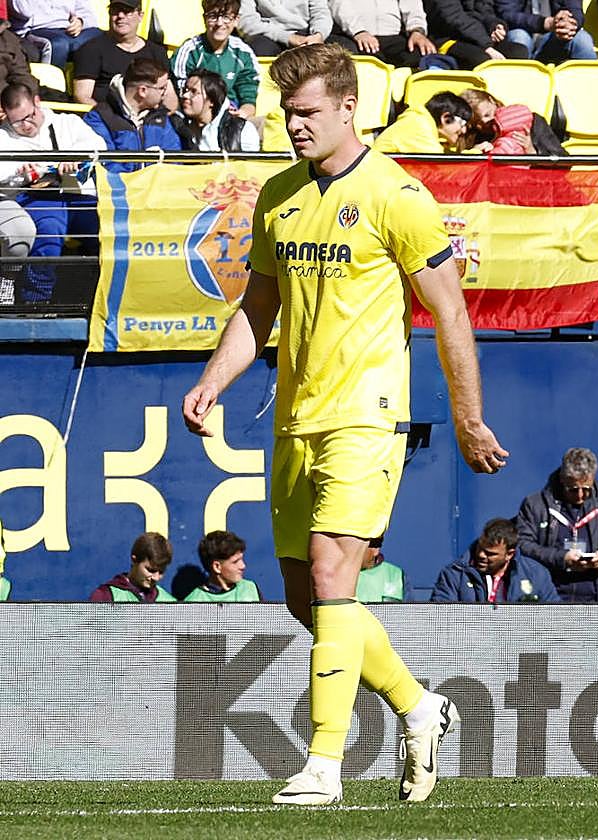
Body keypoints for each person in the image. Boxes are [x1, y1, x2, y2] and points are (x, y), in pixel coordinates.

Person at [180, 43, 508, 806]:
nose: (294, 126)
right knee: (307, 597)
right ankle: (420, 707)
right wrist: (211, 381)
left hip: (367, 413)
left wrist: (467, 417)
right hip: (293, 416)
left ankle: (324, 766)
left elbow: (450, 311)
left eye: (307, 113)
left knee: (333, 576)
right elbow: (259, 305)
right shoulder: (280, 196)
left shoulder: (399, 195)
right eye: (287, 114)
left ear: (347, 107)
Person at [0, 82, 106, 305]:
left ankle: (105, 297)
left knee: (107, 227)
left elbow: (98, 145)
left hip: (76, 194)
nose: (25, 125)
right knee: (49, 228)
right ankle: (36, 302)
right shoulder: (4, 137)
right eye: (16, 121)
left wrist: (75, 157)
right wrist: (21, 175)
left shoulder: (66, 122)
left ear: (37, 103)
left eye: (29, 116)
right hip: (33, 197)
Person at [516, 447, 598, 602]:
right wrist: (561, 558)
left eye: (586, 490)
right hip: (551, 594)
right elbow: (523, 545)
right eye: (573, 490)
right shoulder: (535, 505)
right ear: (562, 479)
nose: (580, 496)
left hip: (596, 595)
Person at [82, 58, 182, 174]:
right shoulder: (100, 118)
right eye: (162, 88)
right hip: (119, 189)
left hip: (157, 189)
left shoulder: (161, 118)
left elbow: (174, 160)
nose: (165, 93)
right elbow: (105, 164)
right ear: (143, 91)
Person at [431, 517, 560, 603]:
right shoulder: (455, 574)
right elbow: (441, 618)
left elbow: (554, 617)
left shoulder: (536, 574)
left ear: (509, 554)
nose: (481, 555)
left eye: (490, 554)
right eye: (480, 548)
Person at [72, 1, 174, 110]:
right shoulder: (91, 49)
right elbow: (82, 96)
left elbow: (169, 95)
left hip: (151, 120)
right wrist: (109, 118)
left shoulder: (157, 52)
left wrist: (165, 118)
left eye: (127, 11)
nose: (120, 16)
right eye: (115, 10)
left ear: (140, 16)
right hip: (106, 120)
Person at [170, 0, 261, 119]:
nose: (219, 23)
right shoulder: (190, 51)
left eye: (226, 17)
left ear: (236, 20)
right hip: (195, 116)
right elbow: (181, 94)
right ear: (204, 19)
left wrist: (242, 113)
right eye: (213, 16)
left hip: (232, 116)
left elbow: (249, 97)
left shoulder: (243, 53)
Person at [328, 0, 438, 68]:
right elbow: (338, 4)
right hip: (354, 35)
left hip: (393, 35)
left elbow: (412, 6)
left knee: (423, 54)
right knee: (351, 58)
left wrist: (417, 31)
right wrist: (358, 31)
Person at [424, 0, 530, 69]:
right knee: (480, 59)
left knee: (518, 52)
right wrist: (486, 46)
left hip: (476, 37)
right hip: (445, 38)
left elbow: (485, 11)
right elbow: (453, 18)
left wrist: (495, 26)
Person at [175, 69, 262, 151]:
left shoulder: (242, 130)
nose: (185, 96)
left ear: (212, 100)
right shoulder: (178, 127)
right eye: (185, 90)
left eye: (193, 92)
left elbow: (250, 165)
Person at [460, 88, 566, 155]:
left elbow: (562, 160)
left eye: (488, 114)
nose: (486, 121)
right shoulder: (472, 137)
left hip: (536, 185)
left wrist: (532, 151)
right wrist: (475, 154)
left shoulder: (531, 121)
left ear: (492, 101)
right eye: (477, 122)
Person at [8, 0, 101, 69]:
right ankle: (52, 91)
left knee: (101, 38)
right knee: (59, 44)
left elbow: (88, 15)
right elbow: (24, 11)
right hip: (37, 29)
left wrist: (80, 22)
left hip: (67, 28)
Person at [373, 90, 473, 153]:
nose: (464, 130)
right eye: (462, 124)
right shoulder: (419, 126)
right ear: (446, 117)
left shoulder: (422, 122)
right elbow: (440, 166)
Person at [89, 532, 177, 602]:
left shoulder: (169, 602)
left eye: (161, 572)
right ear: (134, 560)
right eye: (150, 570)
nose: (156, 578)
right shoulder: (105, 596)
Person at [497, 0, 597, 62]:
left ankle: (592, 88)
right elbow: (506, 13)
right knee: (519, 36)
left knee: (582, 39)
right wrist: (544, 23)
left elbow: (575, 10)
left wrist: (569, 23)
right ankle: (517, 89)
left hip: (552, 38)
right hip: (522, 33)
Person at [184, 530, 263, 602]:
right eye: (235, 562)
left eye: (241, 559)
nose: (243, 566)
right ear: (217, 567)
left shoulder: (251, 589)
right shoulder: (194, 602)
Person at [238, 0, 333, 57]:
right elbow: (246, 22)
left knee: (338, 51)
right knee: (258, 49)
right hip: (268, 33)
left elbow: (321, 13)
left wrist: (318, 35)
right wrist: (288, 37)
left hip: (306, 33)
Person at [355, 535, 406, 602]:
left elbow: (409, 610)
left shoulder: (398, 575)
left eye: (360, 547)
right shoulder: (340, 573)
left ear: (376, 549)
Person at [0, 17, 42, 97]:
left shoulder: (6, 37)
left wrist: (28, 101)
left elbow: (21, 73)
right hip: (6, 99)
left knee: (57, 98)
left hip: (13, 97)